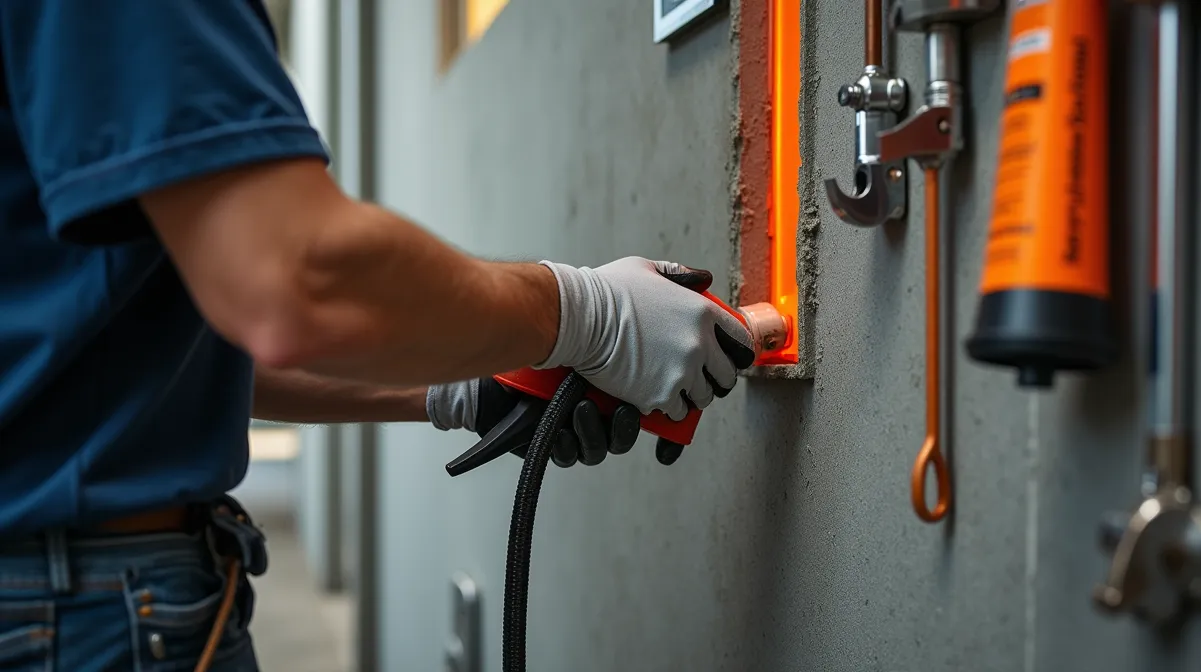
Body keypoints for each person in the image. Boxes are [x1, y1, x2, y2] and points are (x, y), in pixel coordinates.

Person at [0, 2, 756, 669]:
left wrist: (466, 389)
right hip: (78, 608)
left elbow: (190, 333)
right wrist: (589, 314)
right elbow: (291, 277)